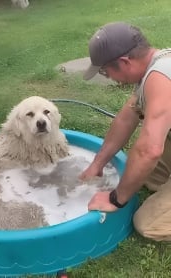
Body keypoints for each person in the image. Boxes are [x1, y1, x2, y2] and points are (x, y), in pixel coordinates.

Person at [81, 22, 171, 241]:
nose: (108, 77)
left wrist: (115, 199)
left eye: (105, 71)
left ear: (124, 62)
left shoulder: (160, 77)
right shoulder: (152, 66)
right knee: (143, 177)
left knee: (148, 224)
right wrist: (97, 163)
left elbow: (149, 150)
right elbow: (125, 119)